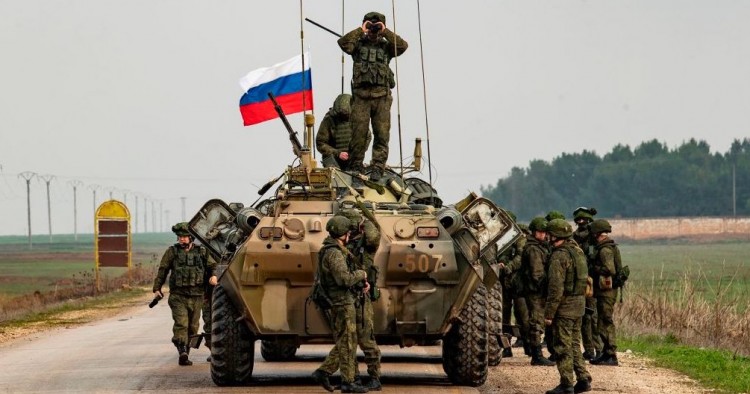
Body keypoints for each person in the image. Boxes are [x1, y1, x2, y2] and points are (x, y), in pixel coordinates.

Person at [337, 11, 408, 181]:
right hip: (361, 98)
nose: (372, 30)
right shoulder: (357, 45)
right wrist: (361, 30)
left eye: (375, 27)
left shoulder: (386, 47)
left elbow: (403, 46)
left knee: (382, 135)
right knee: (358, 134)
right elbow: (344, 43)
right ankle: (355, 166)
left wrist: (385, 31)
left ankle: (378, 167)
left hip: (381, 98)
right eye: (370, 26)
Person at [317, 209, 383, 390]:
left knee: (365, 338)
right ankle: (352, 377)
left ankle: (374, 376)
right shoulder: (339, 248)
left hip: (362, 298)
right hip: (348, 297)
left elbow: (373, 235)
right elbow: (343, 277)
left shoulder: (366, 244)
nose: (350, 231)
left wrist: (364, 220)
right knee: (349, 340)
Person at [153, 222, 218, 366]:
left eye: (184, 237)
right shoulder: (172, 252)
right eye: (179, 237)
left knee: (193, 327)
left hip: (197, 296)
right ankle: (182, 351)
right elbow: (163, 270)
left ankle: (186, 352)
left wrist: (214, 276)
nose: (181, 239)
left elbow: (213, 265)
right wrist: (157, 288)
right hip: (178, 296)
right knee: (181, 323)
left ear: (191, 238)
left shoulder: (201, 252)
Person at [544, 219, 592, 394]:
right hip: (579, 305)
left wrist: (549, 314)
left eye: (549, 234)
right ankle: (583, 378)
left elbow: (555, 288)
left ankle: (566, 384)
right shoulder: (578, 252)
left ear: (555, 236)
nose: (547, 237)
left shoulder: (559, 256)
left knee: (562, 346)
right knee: (573, 343)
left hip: (564, 308)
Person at [519, 217, 555, 366]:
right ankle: (537, 355)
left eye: (544, 232)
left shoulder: (541, 246)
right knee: (536, 323)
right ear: (534, 232)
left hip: (538, 291)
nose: (543, 235)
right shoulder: (533, 249)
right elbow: (537, 274)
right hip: (535, 292)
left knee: (539, 321)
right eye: (540, 232)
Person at [572, 207, 603, 361]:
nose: (581, 223)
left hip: (592, 281)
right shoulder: (574, 237)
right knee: (584, 317)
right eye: (579, 220)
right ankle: (589, 350)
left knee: (593, 317)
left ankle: (599, 350)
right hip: (581, 280)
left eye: (583, 220)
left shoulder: (593, 237)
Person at [497, 212, 529, 358]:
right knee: (503, 316)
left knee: (523, 315)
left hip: (517, 282)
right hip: (502, 282)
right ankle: (506, 347)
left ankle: (530, 346)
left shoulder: (519, 238)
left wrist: (508, 267)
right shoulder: (496, 236)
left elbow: (521, 256)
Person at [589, 219, 620, 366]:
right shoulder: (606, 247)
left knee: (605, 322)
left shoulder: (605, 249)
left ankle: (611, 355)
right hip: (604, 291)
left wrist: (595, 269)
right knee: (602, 322)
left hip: (607, 292)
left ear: (597, 233)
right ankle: (606, 353)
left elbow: (610, 269)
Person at [317, 94, 371, 171]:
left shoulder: (357, 117)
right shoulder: (329, 120)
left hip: (353, 161)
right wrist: (338, 153)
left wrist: (356, 153)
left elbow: (367, 136)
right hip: (334, 161)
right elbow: (320, 143)